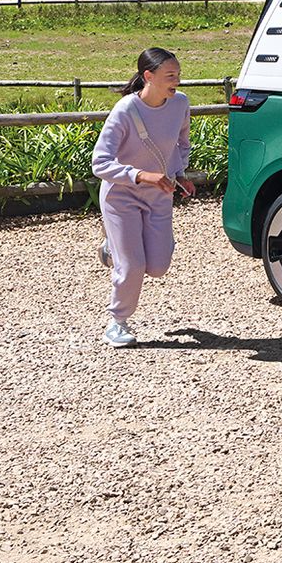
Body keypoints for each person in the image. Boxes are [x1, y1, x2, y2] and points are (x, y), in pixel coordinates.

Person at [88, 47, 197, 348]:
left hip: (160, 195)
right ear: (148, 76)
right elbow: (100, 163)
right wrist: (141, 175)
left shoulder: (181, 104)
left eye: (178, 74)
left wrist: (181, 174)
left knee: (158, 266)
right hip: (120, 195)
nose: (177, 80)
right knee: (133, 266)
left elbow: (181, 144)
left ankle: (113, 247)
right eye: (170, 75)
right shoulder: (125, 110)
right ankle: (117, 323)